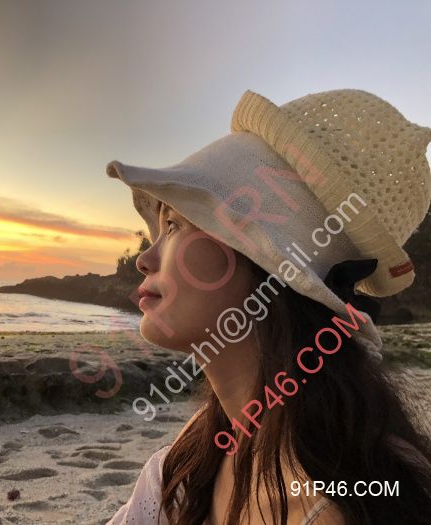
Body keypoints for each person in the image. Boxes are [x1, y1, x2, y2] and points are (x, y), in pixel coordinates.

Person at [103, 89, 431, 524]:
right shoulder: (190, 460)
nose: (145, 259)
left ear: (269, 262)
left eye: (176, 225)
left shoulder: (347, 508)